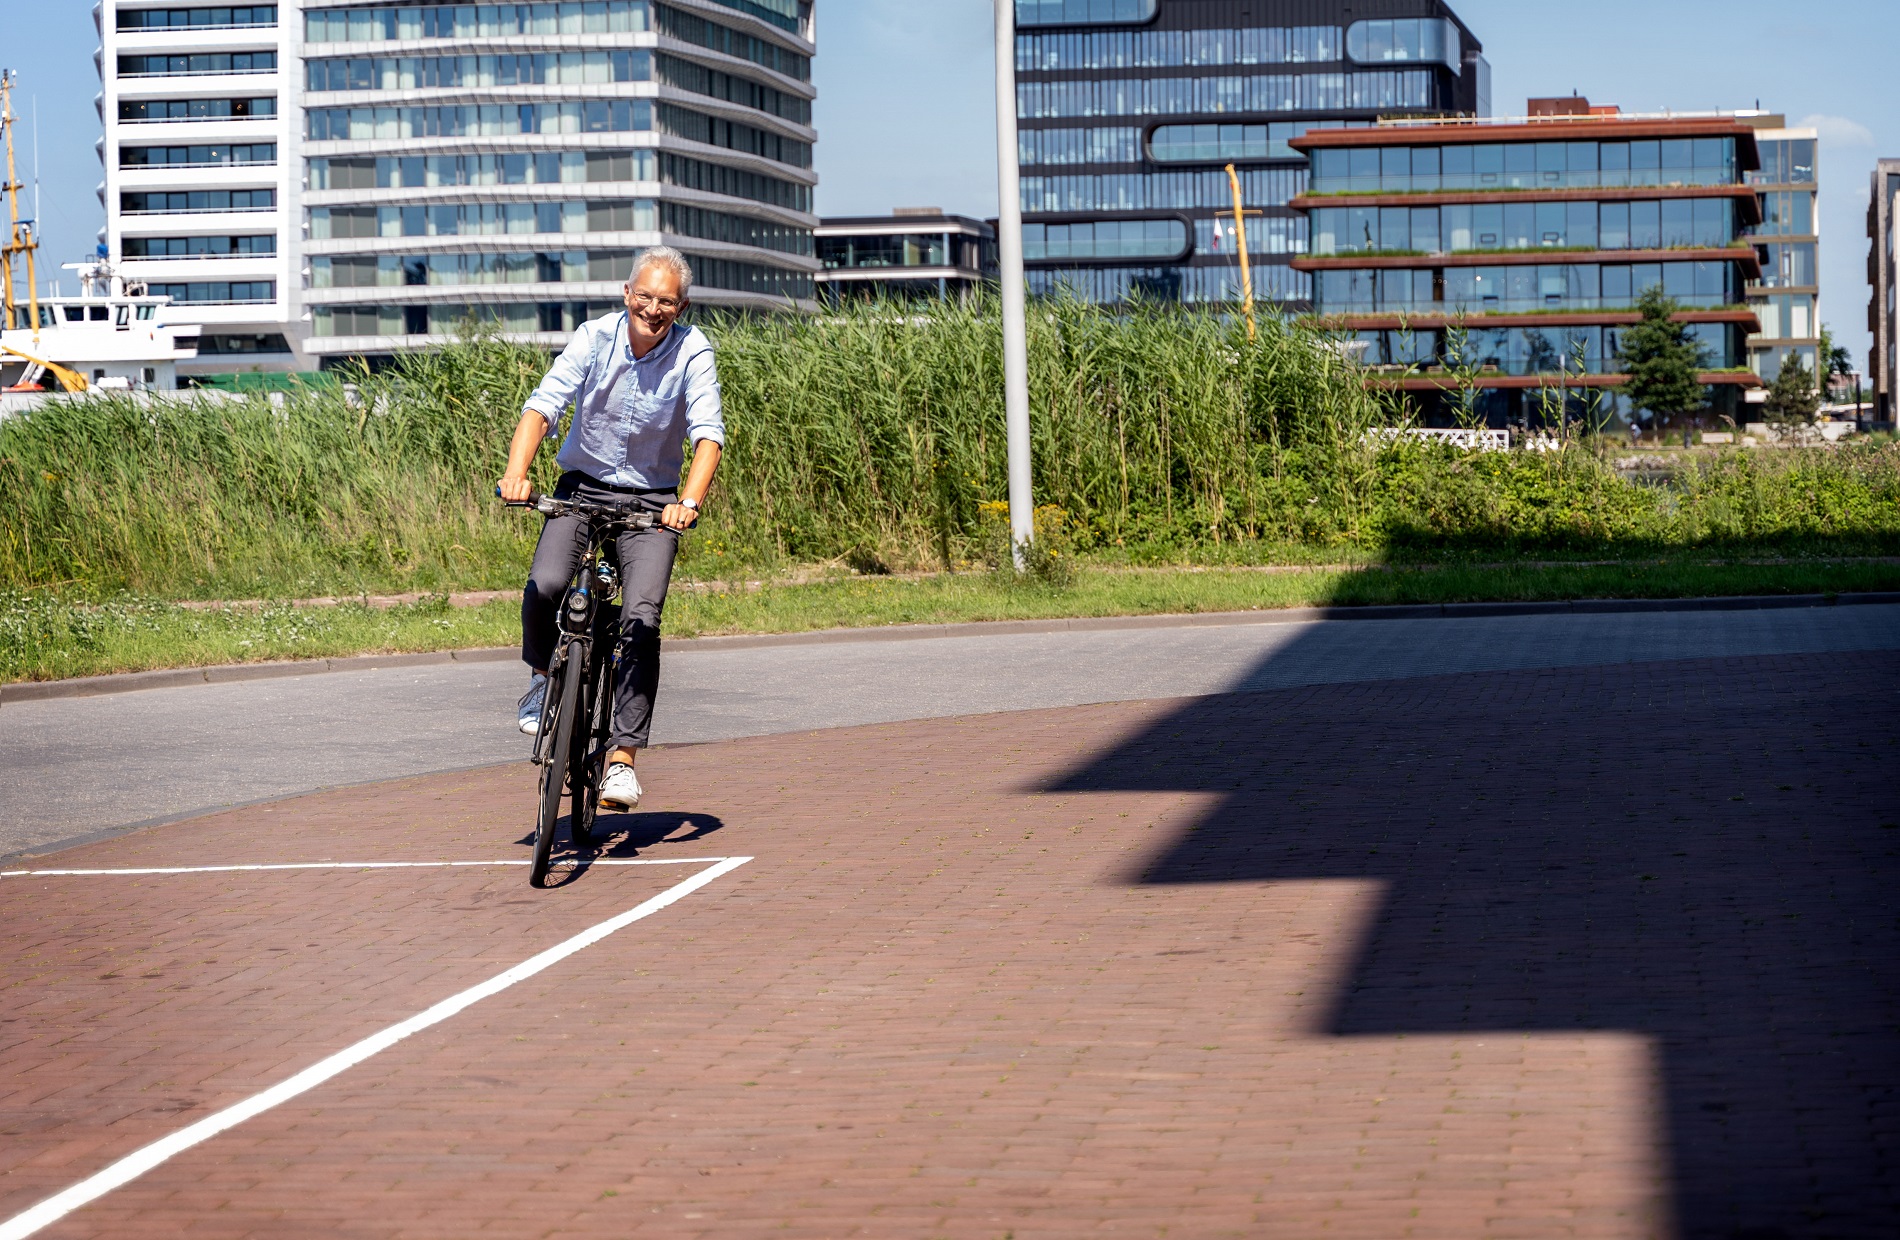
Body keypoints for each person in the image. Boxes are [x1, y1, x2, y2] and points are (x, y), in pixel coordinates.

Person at [497, 246, 723, 813]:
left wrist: (688, 502)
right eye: (643, 296)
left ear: (682, 306)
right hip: (583, 486)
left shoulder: (693, 351)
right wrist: (517, 474)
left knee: (641, 621)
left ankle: (621, 758)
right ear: (627, 295)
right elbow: (543, 406)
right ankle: (542, 677)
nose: (653, 309)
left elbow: (707, 435)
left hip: (652, 501)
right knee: (547, 585)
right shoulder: (593, 338)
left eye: (666, 301)